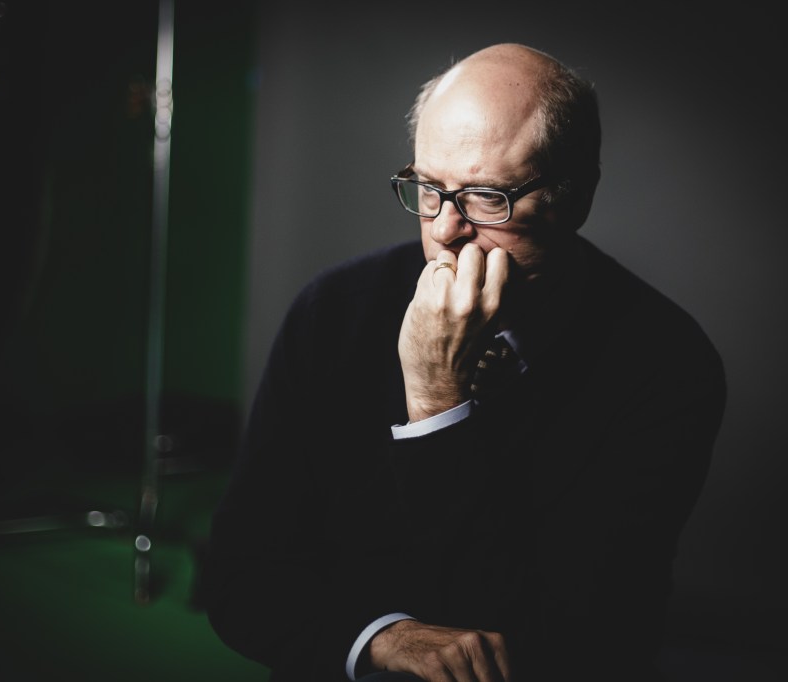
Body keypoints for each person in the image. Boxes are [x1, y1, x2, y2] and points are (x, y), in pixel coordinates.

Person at [202, 42, 726, 682]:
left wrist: (436, 401)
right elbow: (238, 576)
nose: (445, 229)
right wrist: (382, 639)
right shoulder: (333, 310)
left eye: (485, 196)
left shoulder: (668, 365)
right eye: (429, 189)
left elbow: (563, 643)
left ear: (576, 197)